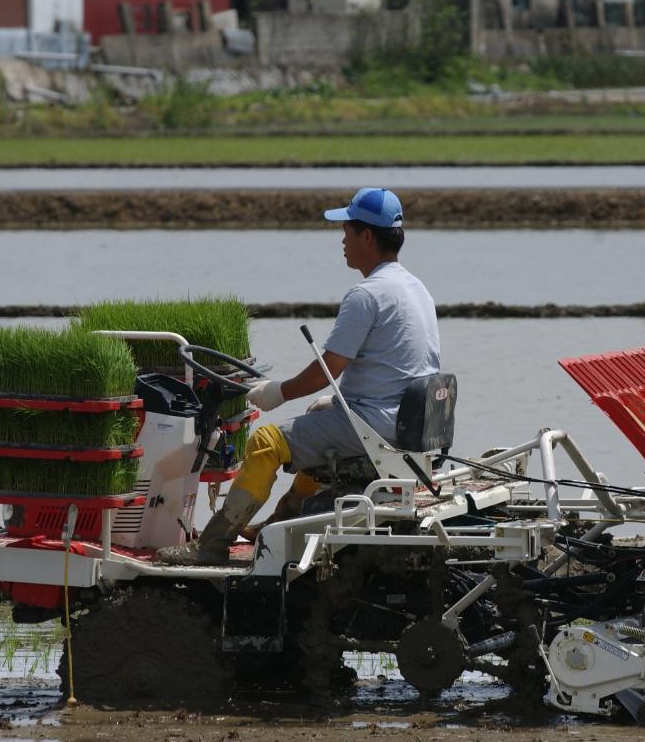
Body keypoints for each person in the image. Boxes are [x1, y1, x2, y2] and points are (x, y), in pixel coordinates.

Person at [157, 187, 440, 566]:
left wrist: (278, 392)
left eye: (347, 230)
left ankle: (211, 546)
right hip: (404, 420)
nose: (342, 240)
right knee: (314, 419)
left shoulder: (367, 295)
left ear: (367, 236)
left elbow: (326, 371)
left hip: (375, 425)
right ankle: (282, 520)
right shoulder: (415, 288)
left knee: (267, 442)